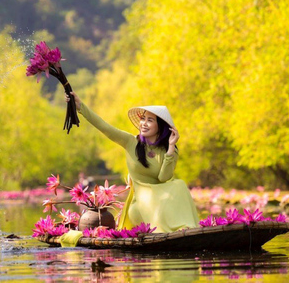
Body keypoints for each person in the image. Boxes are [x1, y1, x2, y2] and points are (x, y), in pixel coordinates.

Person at [65, 92, 199, 233]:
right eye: (143, 119)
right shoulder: (131, 142)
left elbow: (163, 178)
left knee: (180, 185)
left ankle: (184, 229)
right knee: (159, 199)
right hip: (141, 202)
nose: (144, 124)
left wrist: (171, 148)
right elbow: (105, 127)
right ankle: (166, 230)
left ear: (160, 126)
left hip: (162, 201)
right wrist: (80, 106)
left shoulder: (169, 149)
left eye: (150, 120)